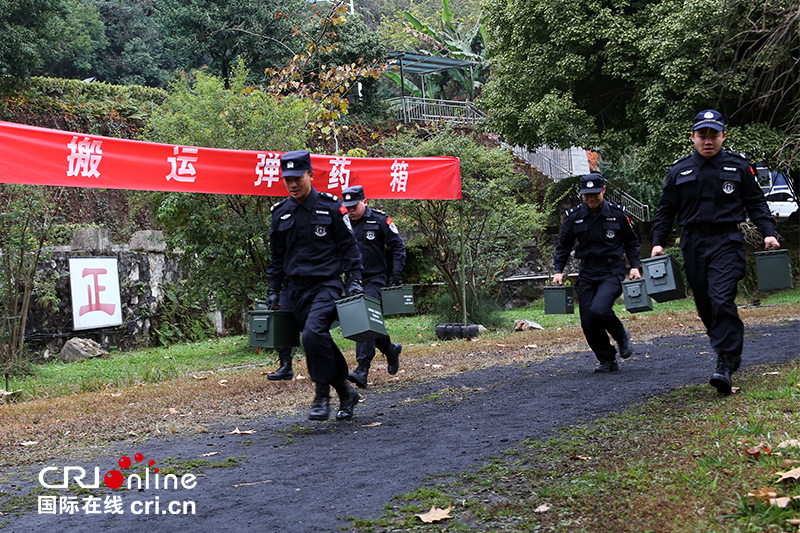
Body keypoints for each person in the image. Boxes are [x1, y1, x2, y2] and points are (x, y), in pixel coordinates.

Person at [650, 109, 780, 394]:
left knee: (721, 297)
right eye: (702, 135)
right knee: (705, 306)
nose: (707, 140)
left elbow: (756, 203)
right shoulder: (679, 170)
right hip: (693, 244)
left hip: (727, 241)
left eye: (713, 134)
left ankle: (725, 361)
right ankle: (728, 349)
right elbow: (665, 210)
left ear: (723, 135)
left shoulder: (738, 166)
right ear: (693, 137)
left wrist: (769, 233)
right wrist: (658, 241)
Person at [267, 150, 364, 420]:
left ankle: (322, 394)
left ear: (310, 174)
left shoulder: (332, 207)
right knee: (316, 339)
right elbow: (276, 256)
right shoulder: (281, 213)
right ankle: (347, 392)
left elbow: (350, 249)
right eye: (287, 179)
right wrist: (273, 289)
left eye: (297, 178)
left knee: (312, 334)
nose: (292, 184)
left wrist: (354, 282)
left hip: (327, 285)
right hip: (295, 290)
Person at [552, 173, 642, 373]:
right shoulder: (574, 216)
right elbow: (563, 246)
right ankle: (607, 360)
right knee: (588, 320)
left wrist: (635, 266)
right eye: (586, 195)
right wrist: (558, 270)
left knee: (600, 309)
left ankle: (621, 335)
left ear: (603, 190)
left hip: (612, 269)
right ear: (581, 195)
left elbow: (631, 242)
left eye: (595, 194)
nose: (591, 199)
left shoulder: (617, 214)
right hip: (587, 271)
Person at [340, 185, 406, 388]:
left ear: (365, 202)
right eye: (347, 206)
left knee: (364, 318)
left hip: (373, 278)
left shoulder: (379, 220)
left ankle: (362, 369)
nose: (350, 210)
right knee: (369, 322)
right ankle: (390, 349)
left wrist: (396, 273)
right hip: (351, 279)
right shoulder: (341, 223)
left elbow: (398, 245)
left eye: (354, 206)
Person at [266, 288, 294, 381]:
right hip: (290, 287)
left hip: (315, 287)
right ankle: (286, 367)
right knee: (282, 323)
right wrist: (273, 292)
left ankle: (331, 363)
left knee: (315, 328)